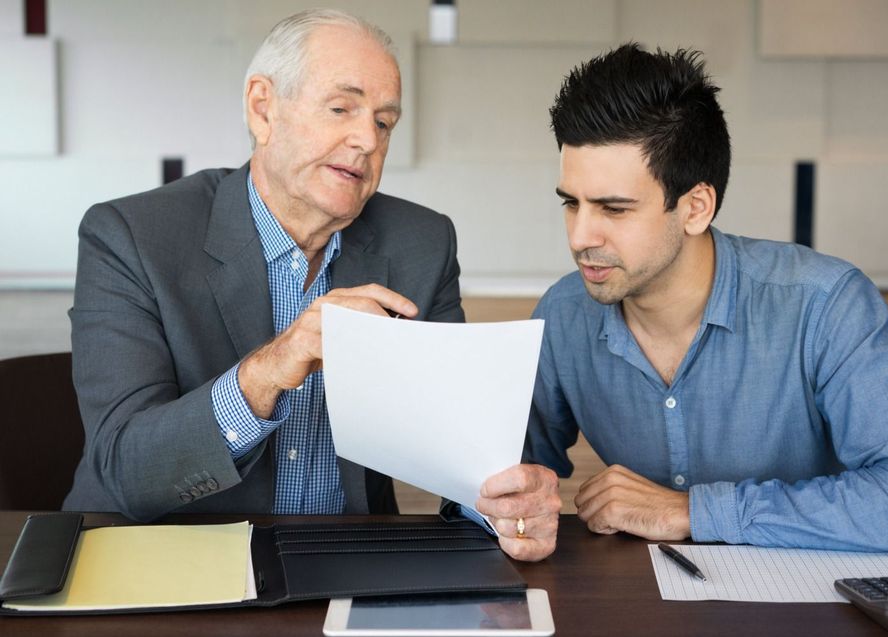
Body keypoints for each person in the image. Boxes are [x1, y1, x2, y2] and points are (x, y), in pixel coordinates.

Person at [64, 8, 558, 562]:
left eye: (384, 121)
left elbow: (459, 455)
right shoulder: (131, 236)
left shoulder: (422, 241)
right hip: (167, 553)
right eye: (341, 108)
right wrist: (272, 367)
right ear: (262, 108)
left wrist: (500, 506)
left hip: (350, 560)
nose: (367, 140)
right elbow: (126, 469)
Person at [523, 43, 888, 553]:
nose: (580, 236)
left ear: (696, 207)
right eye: (571, 204)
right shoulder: (563, 314)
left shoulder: (824, 305)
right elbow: (501, 475)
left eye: (614, 209)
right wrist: (506, 507)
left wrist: (694, 511)